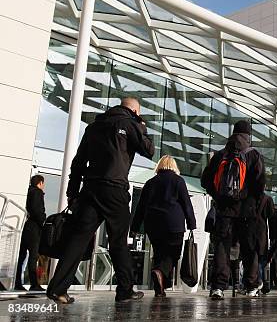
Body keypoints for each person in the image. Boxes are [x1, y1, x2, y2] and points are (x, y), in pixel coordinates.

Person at [47, 97, 155, 304]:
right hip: (114, 189)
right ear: (134, 110)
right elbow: (148, 150)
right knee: (118, 241)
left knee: (78, 239)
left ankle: (57, 289)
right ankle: (125, 290)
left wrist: (73, 192)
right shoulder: (130, 124)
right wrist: (142, 128)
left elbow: (78, 162)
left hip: (90, 189)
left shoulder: (94, 127)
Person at [201, 120, 266, 300]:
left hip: (224, 210)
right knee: (249, 249)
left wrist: (218, 196)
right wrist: (251, 199)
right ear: (249, 135)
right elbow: (260, 183)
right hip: (247, 211)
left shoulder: (221, 154)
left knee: (222, 247)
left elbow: (205, 180)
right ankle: (251, 285)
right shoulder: (254, 155)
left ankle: (218, 287)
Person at [130, 155, 196, 297]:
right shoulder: (178, 181)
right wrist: (192, 224)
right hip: (174, 224)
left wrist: (134, 227)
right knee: (173, 254)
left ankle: (160, 287)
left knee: (159, 254)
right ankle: (159, 273)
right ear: (174, 166)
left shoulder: (150, 183)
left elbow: (140, 207)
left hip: (153, 225)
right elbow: (187, 205)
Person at [15, 175, 46, 291]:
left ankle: (17, 282)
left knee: (22, 256)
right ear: (40, 183)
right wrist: (43, 220)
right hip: (34, 228)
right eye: (43, 184)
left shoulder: (28, 192)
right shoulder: (37, 193)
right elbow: (37, 210)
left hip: (27, 226)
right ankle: (34, 284)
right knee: (33, 256)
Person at [254, 193, 274, 295]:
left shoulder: (249, 197)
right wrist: (273, 237)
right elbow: (271, 219)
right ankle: (260, 281)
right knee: (260, 261)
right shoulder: (267, 199)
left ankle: (257, 282)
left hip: (251, 232)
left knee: (253, 260)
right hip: (262, 234)